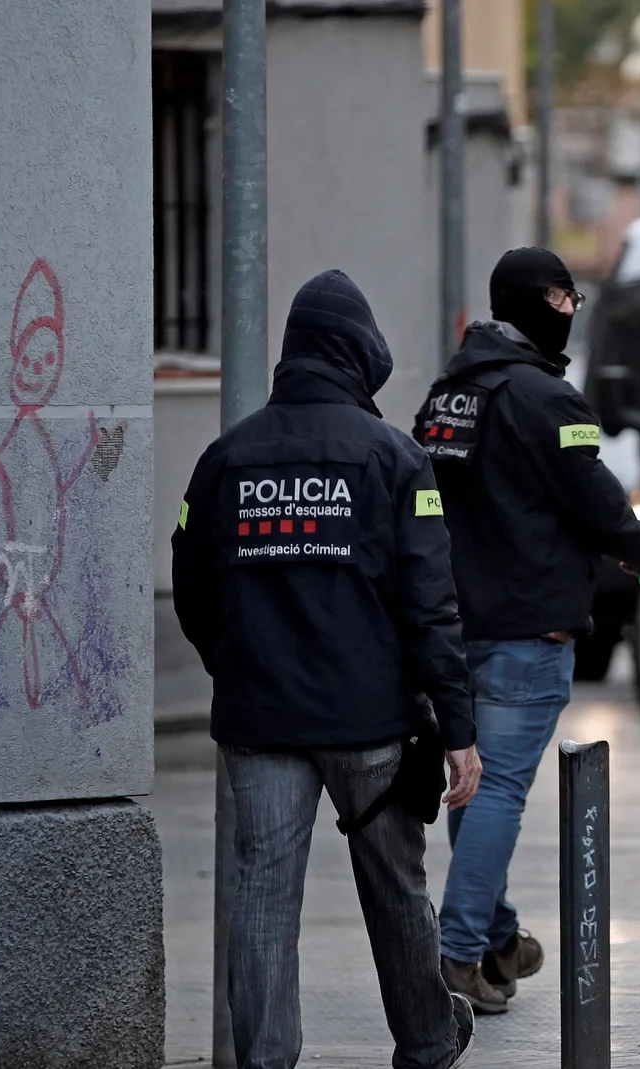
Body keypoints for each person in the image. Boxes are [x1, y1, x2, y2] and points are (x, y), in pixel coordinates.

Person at [172, 270, 481, 1069]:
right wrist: (457, 727)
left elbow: (193, 585)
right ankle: (425, 1040)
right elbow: (430, 604)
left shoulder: (225, 458)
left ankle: (265, 1061)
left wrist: (234, 665)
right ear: (358, 353)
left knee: (263, 899)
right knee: (396, 892)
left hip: (261, 720)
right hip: (369, 724)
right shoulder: (393, 459)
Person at [414, 247, 640, 1014]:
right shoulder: (546, 399)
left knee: (471, 782)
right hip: (527, 627)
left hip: (453, 623)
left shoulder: (448, 395)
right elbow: (594, 496)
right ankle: (457, 954)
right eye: (563, 295)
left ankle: (495, 936)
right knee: (498, 790)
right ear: (532, 301)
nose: (570, 308)